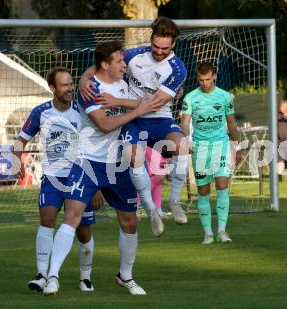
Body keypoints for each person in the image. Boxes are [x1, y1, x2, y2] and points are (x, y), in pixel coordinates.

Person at [42, 41, 157, 296]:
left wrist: (137, 103)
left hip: (117, 163)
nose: (124, 64)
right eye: (118, 61)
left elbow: (146, 101)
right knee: (72, 218)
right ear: (105, 64)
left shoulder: (124, 83)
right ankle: (52, 277)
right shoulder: (90, 88)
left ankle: (126, 277)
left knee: (130, 221)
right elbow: (105, 124)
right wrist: (137, 108)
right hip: (88, 161)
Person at [80, 16, 189, 237]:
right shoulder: (134, 54)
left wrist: (117, 101)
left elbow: (154, 104)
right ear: (151, 40)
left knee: (182, 147)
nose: (159, 51)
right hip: (132, 120)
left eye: (164, 48)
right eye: (155, 46)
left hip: (159, 119)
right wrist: (84, 80)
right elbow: (97, 67)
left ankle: (175, 201)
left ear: (173, 44)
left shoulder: (177, 69)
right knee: (134, 157)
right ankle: (151, 210)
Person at [13, 67, 104, 293]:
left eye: (72, 83)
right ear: (52, 88)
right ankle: (42, 274)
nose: (70, 88)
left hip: (81, 178)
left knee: (83, 231)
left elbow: (97, 147)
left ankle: (85, 277)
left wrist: (97, 185)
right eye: (64, 85)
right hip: (52, 178)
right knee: (47, 220)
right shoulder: (40, 112)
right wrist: (17, 163)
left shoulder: (82, 111)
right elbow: (20, 141)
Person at [181, 62, 241, 244]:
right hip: (200, 148)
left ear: (214, 76)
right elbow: (185, 122)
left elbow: (231, 123)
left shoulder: (224, 97)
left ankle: (222, 231)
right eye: (201, 80)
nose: (204, 83)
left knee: (223, 186)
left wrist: (237, 146)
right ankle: (208, 233)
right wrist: (187, 139)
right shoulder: (191, 98)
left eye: (207, 79)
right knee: (203, 191)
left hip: (220, 145)